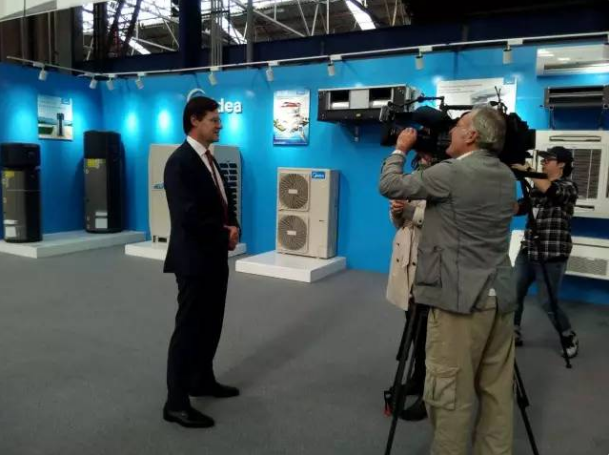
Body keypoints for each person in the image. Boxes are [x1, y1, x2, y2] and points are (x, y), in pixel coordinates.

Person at [379, 107, 517, 455]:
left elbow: (389, 184)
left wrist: (400, 149)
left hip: (459, 300)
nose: (450, 133)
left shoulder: (452, 172)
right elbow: (458, 218)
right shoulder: (505, 174)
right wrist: (410, 212)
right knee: (497, 391)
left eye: (457, 126)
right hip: (499, 297)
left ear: (472, 135)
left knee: (449, 394)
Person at [162, 96, 240, 428]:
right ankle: (175, 402)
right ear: (194, 121)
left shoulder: (210, 158)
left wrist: (233, 227)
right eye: (214, 119)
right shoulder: (179, 163)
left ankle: (202, 380)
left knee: (211, 323)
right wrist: (224, 234)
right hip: (193, 260)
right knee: (189, 329)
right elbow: (187, 215)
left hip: (214, 257)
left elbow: (223, 200)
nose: (220, 125)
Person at [511, 146, 579, 357]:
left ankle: (568, 335)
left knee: (547, 301)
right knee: (514, 294)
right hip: (528, 250)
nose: (543, 163)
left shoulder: (569, 187)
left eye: (548, 160)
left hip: (552, 255)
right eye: (542, 160)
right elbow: (519, 208)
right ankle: (513, 331)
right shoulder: (536, 187)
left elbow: (552, 191)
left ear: (562, 164)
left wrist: (528, 170)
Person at [385, 153, 432, 422]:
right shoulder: (410, 179)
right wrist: (396, 212)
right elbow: (399, 223)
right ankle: (417, 377)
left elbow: (444, 220)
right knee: (415, 330)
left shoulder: (447, 179)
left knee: (431, 335)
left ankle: (430, 392)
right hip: (407, 262)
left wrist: (411, 212)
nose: (423, 158)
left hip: (429, 262)